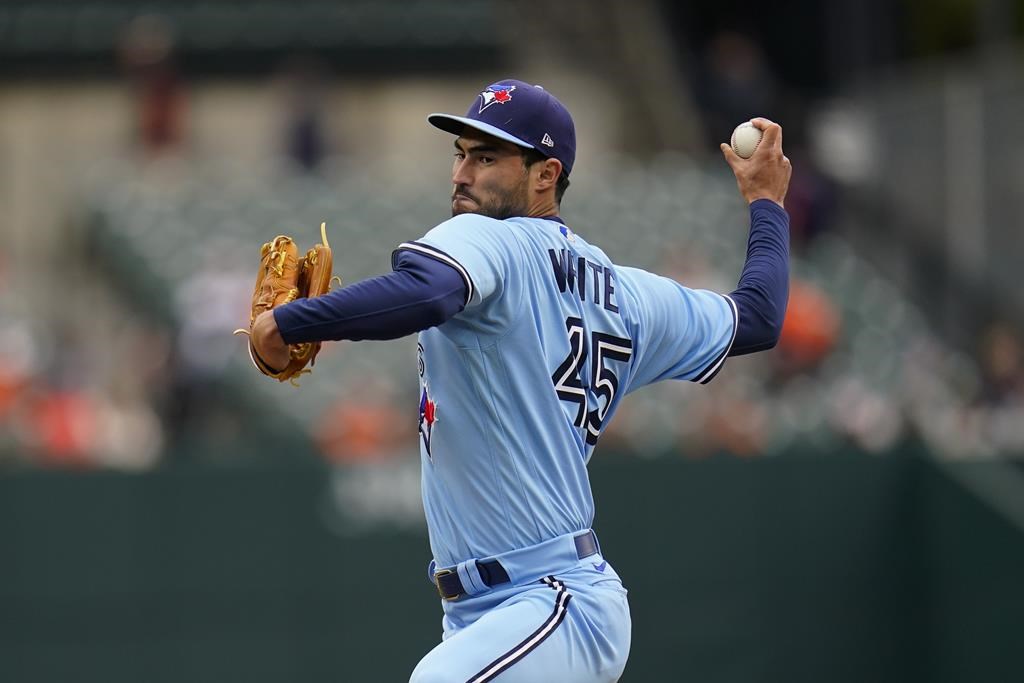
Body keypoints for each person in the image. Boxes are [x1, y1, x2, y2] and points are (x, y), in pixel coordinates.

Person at [250, 79, 791, 682]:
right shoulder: (630, 296)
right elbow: (758, 317)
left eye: (486, 158)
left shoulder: (488, 238)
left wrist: (289, 322)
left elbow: (428, 292)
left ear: (544, 174)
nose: (460, 173)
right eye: (459, 153)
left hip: (547, 599)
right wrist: (765, 202)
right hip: (502, 613)